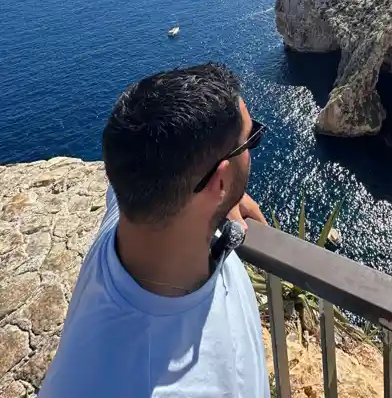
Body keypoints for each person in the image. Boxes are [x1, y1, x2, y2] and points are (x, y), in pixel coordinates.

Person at [40, 63, 271, 397]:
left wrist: (223, 199)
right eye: (250, 140)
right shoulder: (158, 385)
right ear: (218, 181)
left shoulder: (132, 212)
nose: (251, 148)